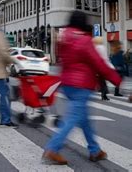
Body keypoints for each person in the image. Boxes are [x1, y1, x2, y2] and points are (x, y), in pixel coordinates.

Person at [43, 11, 122, 165]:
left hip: (67, 84)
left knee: (84, 120)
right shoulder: (85, 40)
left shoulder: (64, 38)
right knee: (72, 118)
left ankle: (95, 150)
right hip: (82, 85)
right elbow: (99, 64)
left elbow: (62, 61)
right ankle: (53, 148)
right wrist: (117, 80)